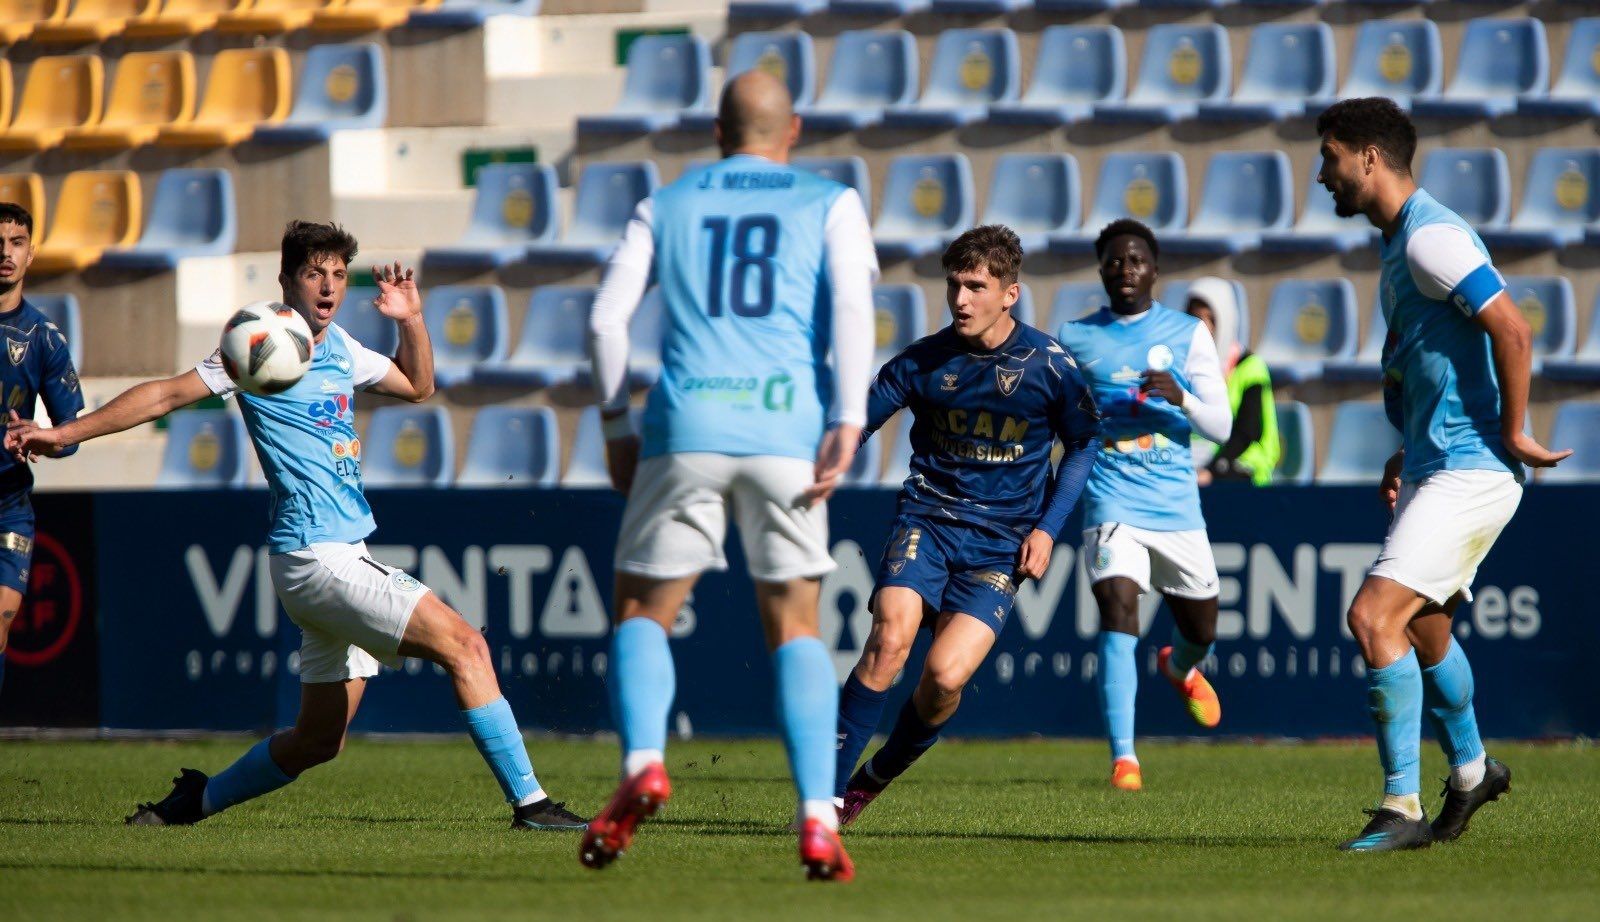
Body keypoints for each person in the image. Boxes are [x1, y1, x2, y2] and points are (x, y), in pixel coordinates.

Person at [6, 221, 584, 831]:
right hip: (317, 557)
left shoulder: (343, 347)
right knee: (466, 645)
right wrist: (63, 432)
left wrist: (411, 319)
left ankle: (193, 802)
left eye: (337, 274)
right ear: (286, 281)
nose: (328, 287)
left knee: (318, 740)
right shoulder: (259, 343)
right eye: (314, 273)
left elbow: (419, 385)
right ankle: (532, 805)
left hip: (335, 555)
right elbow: (165, 397)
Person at [580, 70, 878, 881]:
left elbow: (605, 320)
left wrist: (616, 427)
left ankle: (644, 762)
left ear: (717, 132)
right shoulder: (832, 202)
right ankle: (816, 816)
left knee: (642, 610)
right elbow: (854, 308)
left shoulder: (666, 204)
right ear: (795, 129)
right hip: (787, 429)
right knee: (797, 625)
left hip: (686, 427)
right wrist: (849, 418)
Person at [1314, 98, 1569, 851]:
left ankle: (1401, 808)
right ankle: (1472, 771)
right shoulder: (1401, 245)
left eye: (1329, 156)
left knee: (1373, 618)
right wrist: (1407, 453)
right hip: (1438, 462)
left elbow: (1512, 328)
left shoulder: (1430, 238)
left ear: (1368, 157)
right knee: (1425, 631)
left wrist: (1514, 432)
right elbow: (1439, 364)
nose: (1321, 175)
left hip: (1472, 467)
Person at [832, 225, 1100, 826]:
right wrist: (815, 469)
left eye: (976, 287)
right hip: (927, 519)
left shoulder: (1050, 366)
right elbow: (856, 424)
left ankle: (872, 778)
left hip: (1001, 544)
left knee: (944, 678)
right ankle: (823, 800)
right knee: (889, 641)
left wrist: (1048, 528)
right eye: (954, 284)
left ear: (1010, 293)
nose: (960, 299)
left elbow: (1084, 443)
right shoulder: (923, 360)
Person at [1056, 219, 1234, 792]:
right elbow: (1052, 411)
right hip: (1110, 496)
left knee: (1202, 628)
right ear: (1101, 269)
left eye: (1135, 260)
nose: (1124, 269)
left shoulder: (1187, 333)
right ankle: (1124, 759)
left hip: (1175, 504)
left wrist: (1182, 397)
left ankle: (1180, 666)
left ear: (1154, 270)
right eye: (1114, 260)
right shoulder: (1075, 337)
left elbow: (1222, 426)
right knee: (1118, 608)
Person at [0, 202, 85, 697]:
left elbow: (70, 432)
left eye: (16, 243)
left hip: (8, 504)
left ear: (31, 254)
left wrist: (43, 439)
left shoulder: (44, 338)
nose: (6, 253)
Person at [1185, 278, 1278, 486]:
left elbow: (1247, 432)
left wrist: (1211, 471)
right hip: (1196, 463)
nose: (1204, 327)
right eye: (1195, 319)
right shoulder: (1182, 366)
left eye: (1211, 319)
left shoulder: (1251, 367)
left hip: (1242, 464)